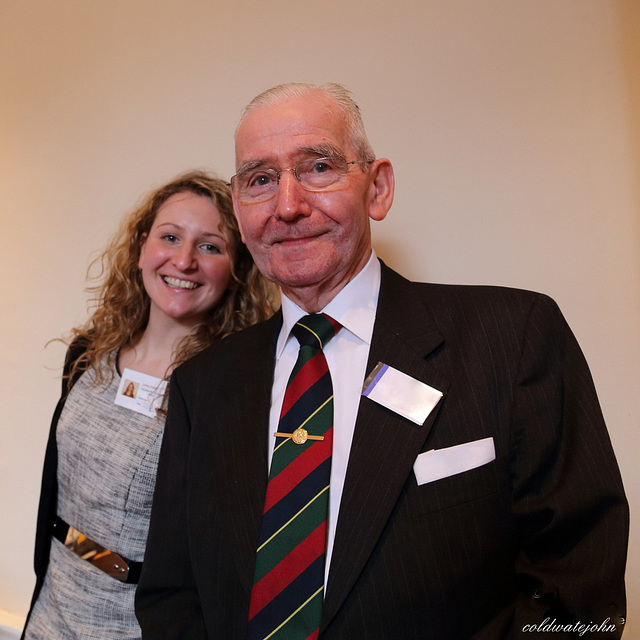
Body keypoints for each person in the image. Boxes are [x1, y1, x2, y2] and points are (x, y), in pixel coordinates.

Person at [136, 84, 629, 639]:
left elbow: (580, 591)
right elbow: (171, 596)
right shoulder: (203, 386)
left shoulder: (512, 338)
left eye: (317, 167)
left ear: (378, 188)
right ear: (240, 211)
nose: (289, 205)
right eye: (260, 179)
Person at [22, 170, 275, 640]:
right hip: (51, 606)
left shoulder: (229, 398)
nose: (183, 260)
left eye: (210, 246)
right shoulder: (87, 354)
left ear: (236, 268)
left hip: (137, 625)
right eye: (171, 237)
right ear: (142, 247)